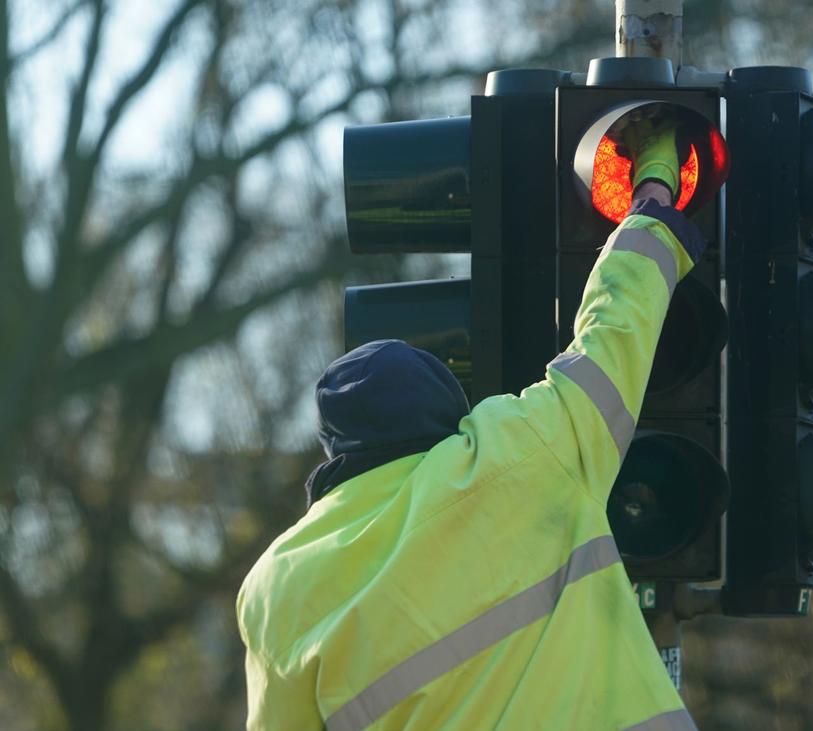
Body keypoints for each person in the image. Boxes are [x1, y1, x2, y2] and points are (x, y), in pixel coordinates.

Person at [237, 115, 709, 730]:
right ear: (448, 418)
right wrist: (653, 196)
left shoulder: (277, 589)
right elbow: (615, 329)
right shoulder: (522, 446)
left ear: (336, 458)